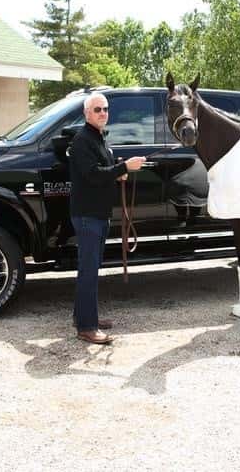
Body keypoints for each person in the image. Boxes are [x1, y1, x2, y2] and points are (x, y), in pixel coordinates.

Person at [69, 92, 146, 344]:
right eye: (97, 109)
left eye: (105, 109)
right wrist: (124, 168)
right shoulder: (83, 141)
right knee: (88, 271)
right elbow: (92, 174)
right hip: (87, 216)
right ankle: (87, 327)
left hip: (98, 215)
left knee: (92, 268)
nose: (103, 113)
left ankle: (84, 316)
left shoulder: (98, 139)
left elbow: (102, 172)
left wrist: (118, 173)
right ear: (87, 114)